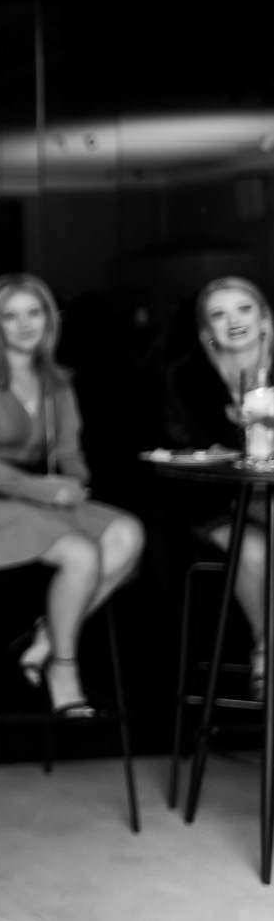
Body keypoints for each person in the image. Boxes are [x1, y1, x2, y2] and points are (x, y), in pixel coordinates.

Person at [0, 274, 144, 716]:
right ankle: (63, 669)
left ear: (49, 319)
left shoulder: (56, 381)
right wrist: (46, 490)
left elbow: (69, 453)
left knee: (128, 534)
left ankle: (46, 638)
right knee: (82, 554)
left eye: (34, 312)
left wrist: (75, 481)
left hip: (37, 496)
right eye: (11, 316)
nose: (25, 324)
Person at [164, 276, 272, 698]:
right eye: (219, 314)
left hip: (268, 498)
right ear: (207, 331)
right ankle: (266, 650)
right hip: (215, 503)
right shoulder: (188, 378)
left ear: (264, 318)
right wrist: (234, 433)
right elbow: (181, 444)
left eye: (244, 309)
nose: (234, 321)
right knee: (254, 551)